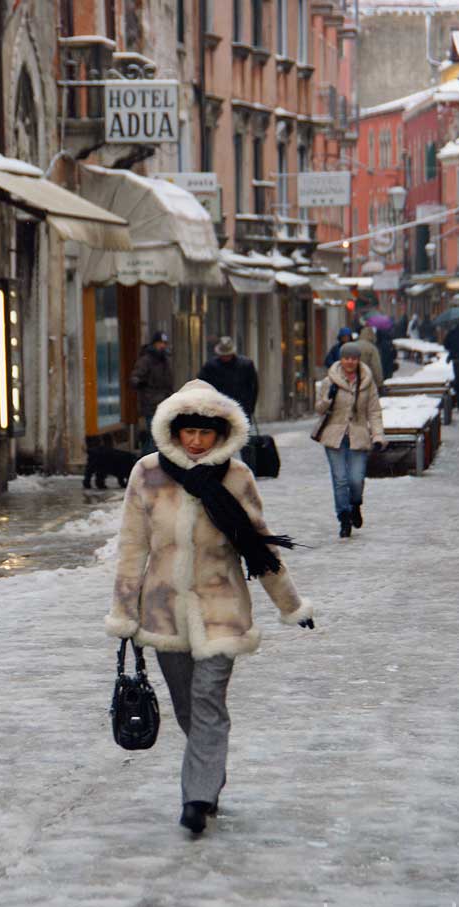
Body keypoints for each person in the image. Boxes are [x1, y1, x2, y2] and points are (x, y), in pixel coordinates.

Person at [106, 380, 313, 835]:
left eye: (206, 432)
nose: (196, 441)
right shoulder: (147, 474)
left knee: (207, 700)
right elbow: (132, 548)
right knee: (188, 707)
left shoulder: (236, 477)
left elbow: (259, 547)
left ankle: (196, 798)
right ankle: (210, 775)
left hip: (222, 608)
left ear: (222, 433)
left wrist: (291, 605)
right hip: (163, 610)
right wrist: (124, 611)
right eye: (188, 431)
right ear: (172, 431)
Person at [314, 342, 385, 539]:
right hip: (334, 435)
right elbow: (319, 409)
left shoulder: (367, 382)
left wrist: (378, 436)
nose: (350, 362)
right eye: (346, 358)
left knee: (356, 479)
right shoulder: (330, 381)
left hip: (359, 435)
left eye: (353, 358)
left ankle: (355, 504)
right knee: (340, 479)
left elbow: (374, 411)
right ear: (341, 359)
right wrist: (327, 399)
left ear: (358, 360)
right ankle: (344, 518)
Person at [130, 331, 173, 454]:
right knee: (155, 436)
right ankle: (146, 464)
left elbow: (168, 383)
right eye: (160, 343)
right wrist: (139, 382)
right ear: (154, 344)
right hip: (151, 405)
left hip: (164, 403)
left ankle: (146, 463)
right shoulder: (146, 360)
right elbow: (135, 378)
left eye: (165, 343)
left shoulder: (165, 360)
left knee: (159, 437)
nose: (163, 346)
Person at [197, 336, 259, 418]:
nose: (225, 357)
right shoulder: (210, 366)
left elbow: (254, 387)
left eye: (227, 355)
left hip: (240, 407)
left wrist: (251, 406)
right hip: (218, 407)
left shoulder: (246, 365)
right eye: (223, 355)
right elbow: (201, 384)